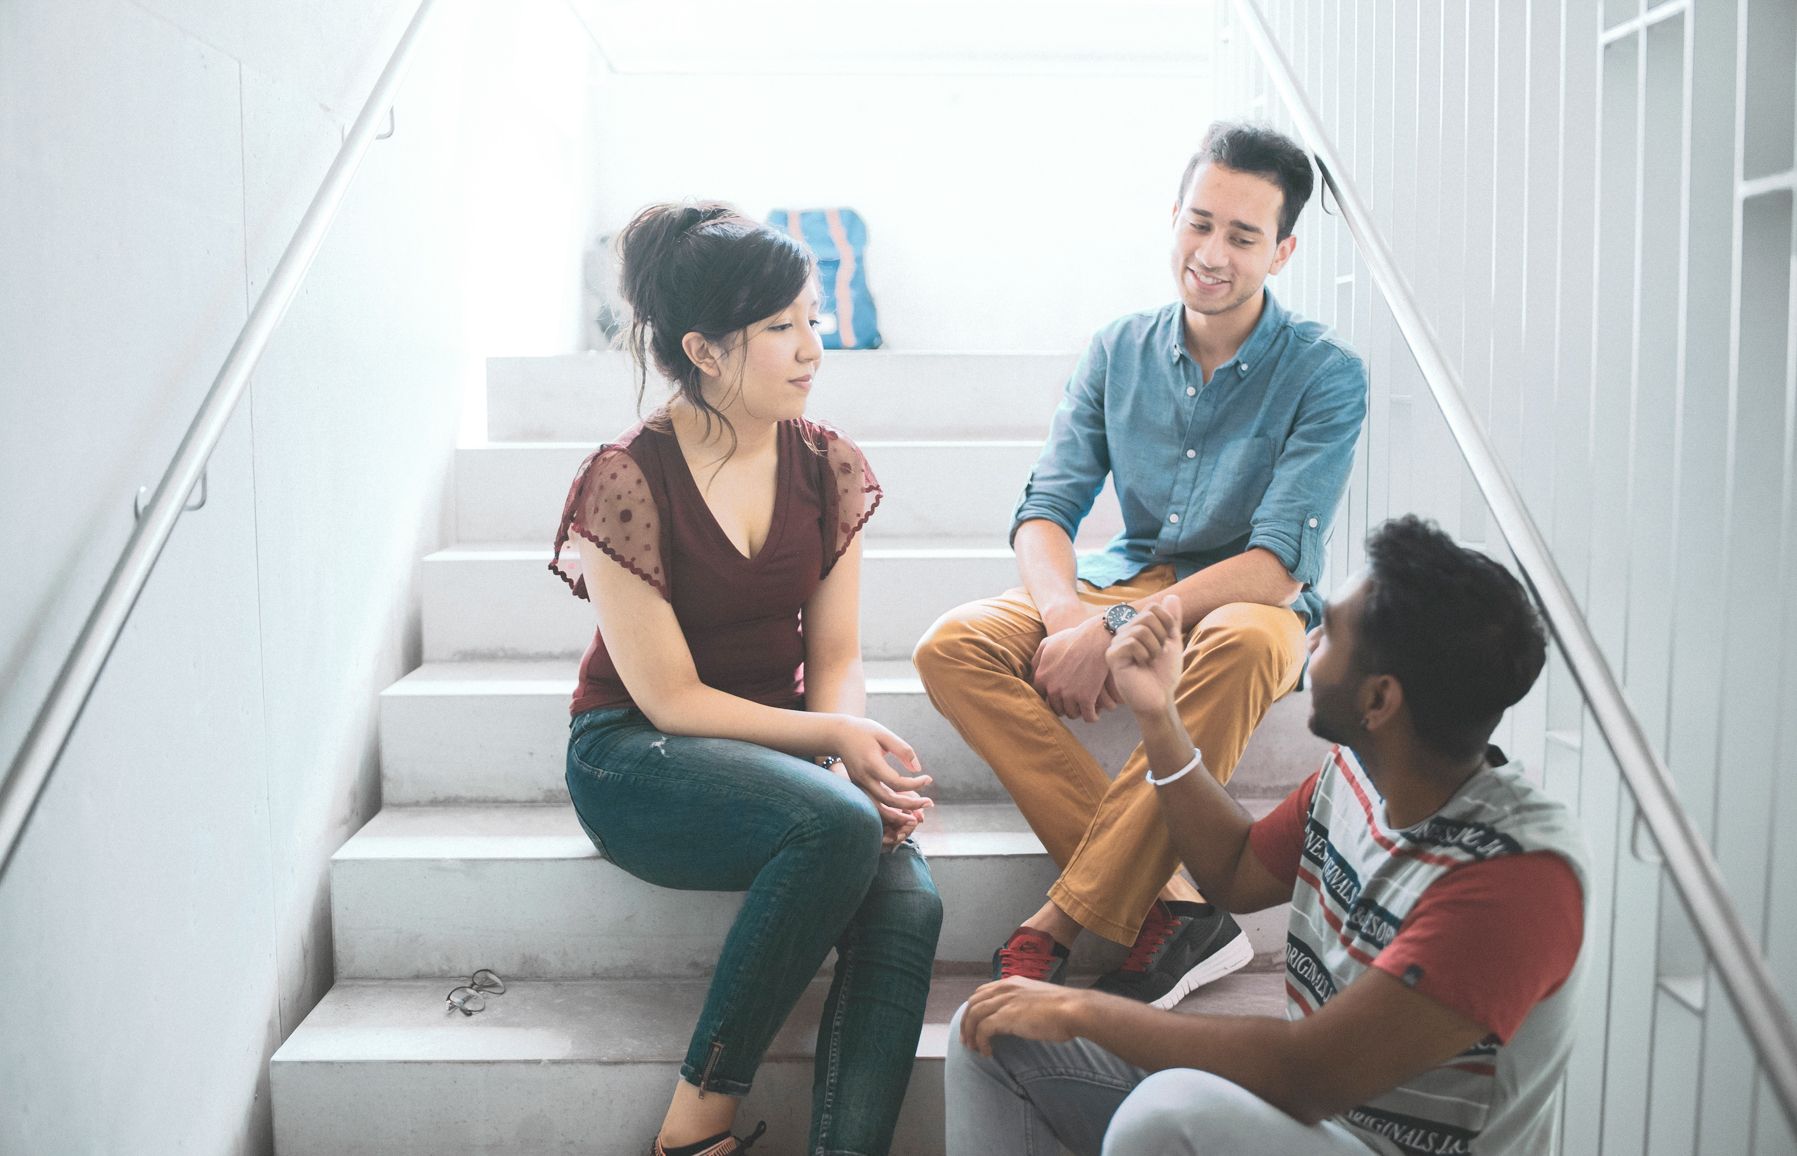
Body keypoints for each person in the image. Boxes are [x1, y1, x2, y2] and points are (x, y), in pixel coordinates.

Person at [945, 515, 1588, 1156]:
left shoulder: (1516, 879)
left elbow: (1307, 1075)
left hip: (1350, 1132)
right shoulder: (1358, 774)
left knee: (1167, 1114)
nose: (1309, 646)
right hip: (1302, 1130)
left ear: (1380, 700)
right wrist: (1158, 715)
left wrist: (1083, 1011)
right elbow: (1233, 870)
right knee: (994, 1026)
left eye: (1329, 632)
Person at [914, 121, 1369, 1006]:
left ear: (1281, 252)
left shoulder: (1324, 373)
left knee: (1241, 643)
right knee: (950, 645)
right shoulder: (1116, 349)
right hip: (1122, 574)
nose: (1211, 253)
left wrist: (1121, 628)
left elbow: (1278, 565)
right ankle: (1172, 905)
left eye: (1241, 236)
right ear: (1173, 218)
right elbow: (1044, 514)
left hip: (1246, 599)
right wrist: (1070, 621)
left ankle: (1061, 918)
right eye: (1199, 224)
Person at [550, 202, 943, 1156]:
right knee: (839, 823)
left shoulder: (828, 464)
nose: (814, 347)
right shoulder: (625, 480)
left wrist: (846, 751)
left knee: (909, 898)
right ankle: (696, 1125)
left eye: (812, 319)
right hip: (639, 758)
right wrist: (835, 751)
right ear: (706, 350)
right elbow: (670, 700)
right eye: (783, 328)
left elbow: (837, 657)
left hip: (782, 755)